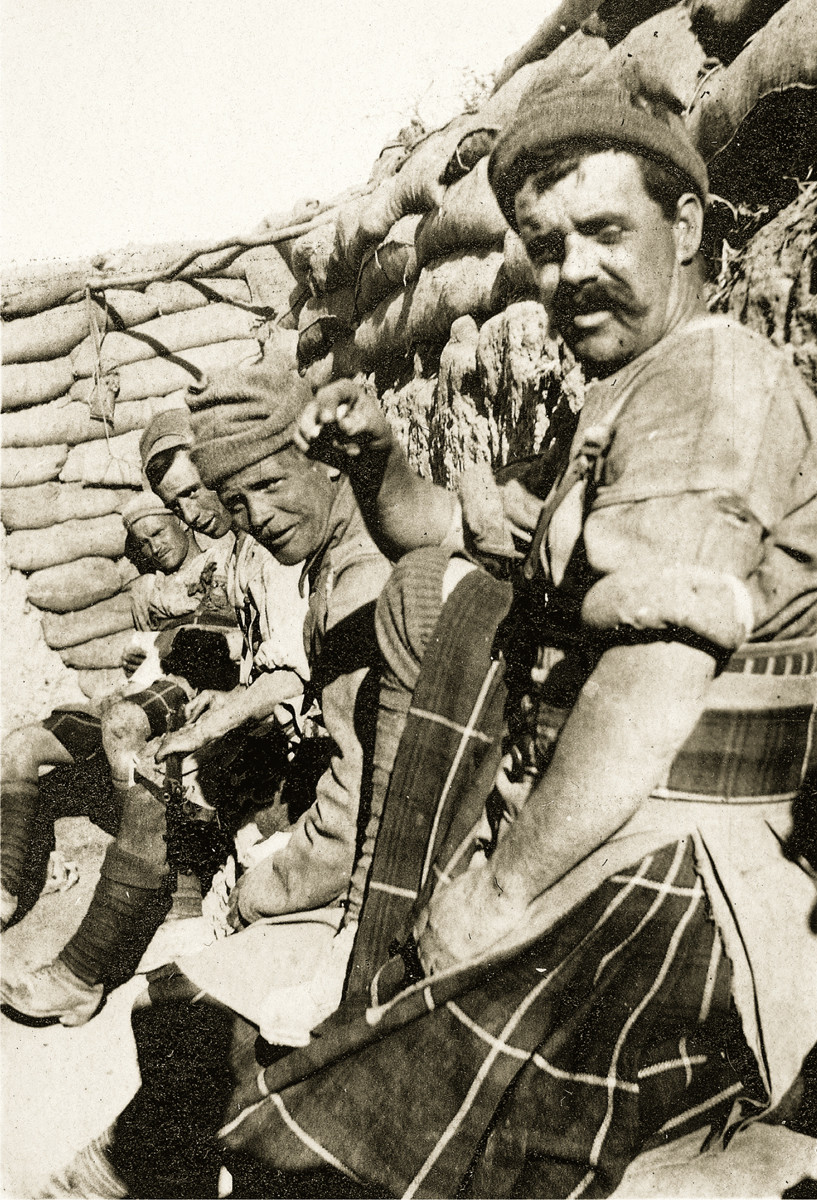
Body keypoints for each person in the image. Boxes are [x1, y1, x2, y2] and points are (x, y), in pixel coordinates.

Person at [46, 74, 817, 1197]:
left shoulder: (708, 377)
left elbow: (650, 682)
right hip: (595, 839)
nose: (569, 273)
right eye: (545, 247)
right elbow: (444, 535)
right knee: (271, 1096)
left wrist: (501, 895)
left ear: (688, 227)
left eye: (606, 230)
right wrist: (379, 463)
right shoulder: (619, 392)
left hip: (669, 872)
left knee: (327, 1142)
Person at [0, 495, 241, 1026]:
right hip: (142, 693)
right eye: (145, 540)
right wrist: (139, 653)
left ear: (185, 522)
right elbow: (142, 657)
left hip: (188, 692)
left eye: (162, 531)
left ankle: (82, 974)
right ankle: (4, 889)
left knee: (124, 727)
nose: (156, 546)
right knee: (20, 745)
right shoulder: (148, 592)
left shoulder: (230, 561)